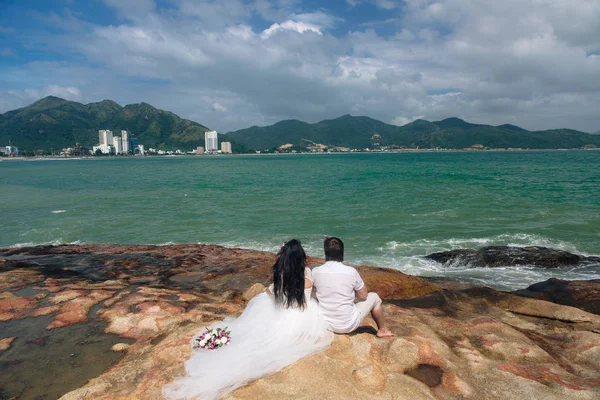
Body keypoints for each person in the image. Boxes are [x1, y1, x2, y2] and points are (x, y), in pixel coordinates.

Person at [163, 239, 333, 400]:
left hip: (284, 310)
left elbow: (273, 291)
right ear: (301, 257)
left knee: (255, 330)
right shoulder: (307, 272)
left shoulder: (281, 272)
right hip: (303, 314)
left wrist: (269, 290)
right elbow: (310, 287)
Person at [312, 237, 393, 338]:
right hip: (348, 324)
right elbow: (364, 296)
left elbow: (313, 293)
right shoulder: (350, 271)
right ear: (342, 252)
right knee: (374, 297)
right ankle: (382, 330)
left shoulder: (315, 271)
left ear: (325, 253)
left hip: (326, 324)